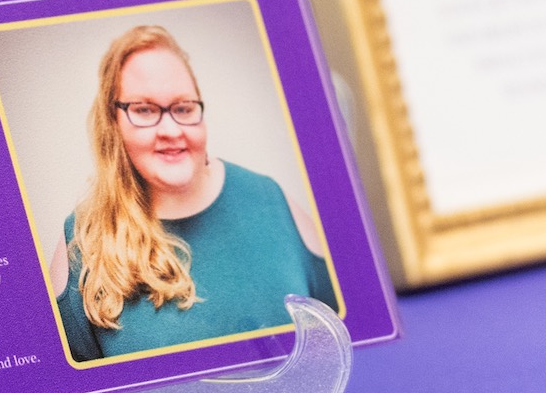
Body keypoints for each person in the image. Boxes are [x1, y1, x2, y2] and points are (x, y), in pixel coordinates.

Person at [49, 23, 337, 362]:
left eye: (183, 108)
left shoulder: (271, 201)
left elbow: (343, 340)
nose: (171, 130)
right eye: (144, 110)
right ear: (113, 123)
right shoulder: (80, 245)